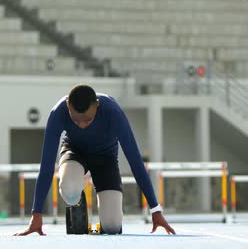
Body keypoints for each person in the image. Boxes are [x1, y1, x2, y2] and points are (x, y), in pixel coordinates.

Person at [15, 84, 175, 236]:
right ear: (68, 104)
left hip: (106, 158)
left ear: (97, 105)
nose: (82, 125)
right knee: (69, 190)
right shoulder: (58, 112)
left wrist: (155, 210)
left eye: (87, 120)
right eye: (76, 120)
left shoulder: (113, 112)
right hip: (74, 152)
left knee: (112, 226)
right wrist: (36, 213)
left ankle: (102, 222)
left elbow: (135, 161)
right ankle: (77, 202)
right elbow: (47, 165)